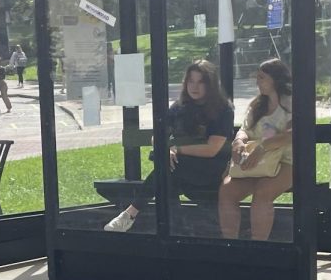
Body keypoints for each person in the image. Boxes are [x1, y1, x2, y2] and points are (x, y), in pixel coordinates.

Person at [105, 60, 233, 232]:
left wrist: (177, 149)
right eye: (191, 81)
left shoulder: (223, 109)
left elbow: (212, 149)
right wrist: (165, 149)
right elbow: (157, 136)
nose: (194, 87)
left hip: (211, 171)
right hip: (181, 169)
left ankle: (131, 214)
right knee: (168, 173)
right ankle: (177, 228)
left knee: (167, 170)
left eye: (201, 82)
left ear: (210, 84)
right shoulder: (180, 107)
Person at [218, 59, 293, 241]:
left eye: (262, 77)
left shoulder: (291, 103)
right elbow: (245, 129)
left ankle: (259, 245)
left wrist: (262, 148)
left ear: (276, 79)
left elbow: (292, 134)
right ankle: (230, 243)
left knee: (263, 192)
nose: (257, 82)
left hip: (287, 162)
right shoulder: (256, 105)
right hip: (255, 162)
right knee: (227, 190)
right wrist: (238, 142)